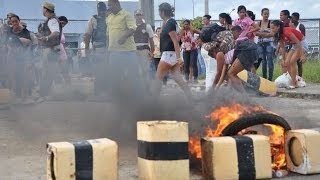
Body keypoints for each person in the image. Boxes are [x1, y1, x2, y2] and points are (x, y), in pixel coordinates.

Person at [107, 0, 148, 101]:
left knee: (133, 75)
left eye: (110, 5)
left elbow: (132, 28)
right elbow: (108, 34)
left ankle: (138, 98)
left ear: (117, 4)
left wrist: (124, 37)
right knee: (115, 75)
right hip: (114, 52)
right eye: (108, 5)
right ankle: (119, 97)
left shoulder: (126, 15)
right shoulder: (109, 17)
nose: (109, 7)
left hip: (128, 52)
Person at [151, 2, 192, 99]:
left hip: (169, 54)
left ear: (163, 12)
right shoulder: (169, 22)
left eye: (159, 11)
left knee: (158, 79)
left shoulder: (170, 23)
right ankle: (191, 97)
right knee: (178, 78)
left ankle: (153, 102)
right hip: (171, 54)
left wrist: (179, 58)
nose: (159, 14)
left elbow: (175, 41)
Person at [270, 20, 308, 89]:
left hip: (301, 44)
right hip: (294, 45)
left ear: (278, 27)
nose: (271, 30)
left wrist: (302, 55)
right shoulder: (279, 35)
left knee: (292, 61)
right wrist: (284, 59)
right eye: (271, 28)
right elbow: (283, 48)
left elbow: (298, 42)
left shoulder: (286, 31)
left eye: (273, 28)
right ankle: (294, 81)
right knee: (287, 63)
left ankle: (294, 83)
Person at [37, 2, 62, 98]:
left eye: (43, 8)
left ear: (46, 9)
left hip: (51, 49)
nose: (42, 10)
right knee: (48, 71)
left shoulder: (52, 21)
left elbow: (55, 33)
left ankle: (44, 93)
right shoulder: (50, 20)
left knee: (48, 72)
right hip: (50, 49)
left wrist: (46, 38)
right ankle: (46, 92)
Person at [84, 2, 110, 95]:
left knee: (103, 70)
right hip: (102, 48)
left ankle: (101, 90)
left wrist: (87, 49)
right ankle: (99, 90)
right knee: (101, 70)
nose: (101, 12)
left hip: (105, 48)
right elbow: (87, 35)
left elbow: (87, 35)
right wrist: (87, 48)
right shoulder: (95, 19)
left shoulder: (107, 19)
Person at [7, 14, 32, 101]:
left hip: (23, 57)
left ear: (19, 21)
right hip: (12, 57)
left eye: (16, 21)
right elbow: (6, 42)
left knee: (23, 76)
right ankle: (16, 95)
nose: (14, 23)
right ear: (10, 22)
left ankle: (25, 95)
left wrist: (19, 41)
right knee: (14, 76)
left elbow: (29, 42)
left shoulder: (25, 31)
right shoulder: (9, 31)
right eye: (12, 22)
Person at [228, 25, 258, 92]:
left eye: (232, 33)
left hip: (246, 53)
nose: (232, 35)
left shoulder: (238, 40)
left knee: (231, 73)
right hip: (253, 52)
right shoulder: (244, 38)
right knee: (237, 73)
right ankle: (252, 89)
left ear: (236, 32)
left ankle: (244, 96)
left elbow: (235, 54)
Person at [133, 9, 155, 79]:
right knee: (135, 70)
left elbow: (151, 40)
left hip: (144, 50)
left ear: (142, 16)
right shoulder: (131, 26)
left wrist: (152, 52)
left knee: (145, 70)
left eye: (140, 15)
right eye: (137, 15)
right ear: (134, 16)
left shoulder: (147, 26)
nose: (139, 16)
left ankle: (146, 87)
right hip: (134, 50)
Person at [255, 8, 275, 81]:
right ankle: (264, 78)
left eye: (267, 13)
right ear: (261, 14)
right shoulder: (258, 23)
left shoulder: (271, 23)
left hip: (269, 43)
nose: (266, 15)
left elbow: (272, 34)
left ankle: (270, 78)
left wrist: (262, 34)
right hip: (260, 44)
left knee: (270, 61)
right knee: (263, 61)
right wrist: (267, 33)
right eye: (265, 14)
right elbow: (256, 33)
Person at [290, 12, 306, 77]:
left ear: (297, 19)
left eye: (293, 18)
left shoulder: (301, 26)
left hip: (300, 45)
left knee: (299, 63)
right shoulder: (290, 25)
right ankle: (294, 76)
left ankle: (300, 77)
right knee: (292, 62)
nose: (291, 19)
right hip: (294, 45)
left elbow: (303, 37)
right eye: (291, 18)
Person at [57, 16, 70, 85]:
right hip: (56, 52)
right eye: (62, 23)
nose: (63, 25)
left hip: (62, 53)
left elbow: (63, 43)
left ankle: (68, 86)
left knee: (65, 70)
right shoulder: (54, 30)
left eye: (64, 24)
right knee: (55, 70)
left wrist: (65, 52)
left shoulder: (61, 30)